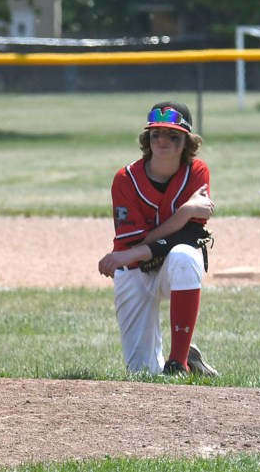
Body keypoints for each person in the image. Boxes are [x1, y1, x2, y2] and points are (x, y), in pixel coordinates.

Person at [97, 101, 219, 377]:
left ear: (186, 142)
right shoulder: (126, 179)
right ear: (147, 139)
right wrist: (186, 211)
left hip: (167, 268)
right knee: (142, 373)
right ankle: (187, 354)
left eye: (172, 135)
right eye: (156, 134)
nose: (163, 140)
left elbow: (191, 235)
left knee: (186, 255)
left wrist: (136, 251)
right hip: (135, 271)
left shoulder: (197, 172)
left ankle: (178, 362)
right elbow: (134, 243)